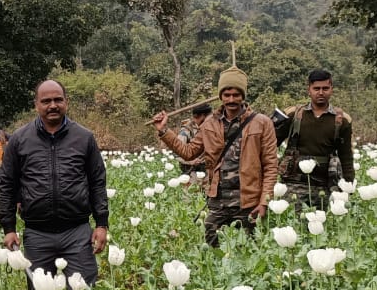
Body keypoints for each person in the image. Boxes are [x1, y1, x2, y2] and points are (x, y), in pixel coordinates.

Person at [0, 80, 109, 290]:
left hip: (77, 231)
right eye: (46, 101)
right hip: (37, 234)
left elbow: (97, 181)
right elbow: (7, 185)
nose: (53, 105)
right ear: (36, 105)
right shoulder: (20, 140)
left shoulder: (83, 137)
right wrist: (8, 227)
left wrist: (102, 223)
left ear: (66, 102)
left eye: (58, 99)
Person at [152, 65, 278, 246]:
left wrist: (264, 202)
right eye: (227, 95)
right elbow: (188, 153)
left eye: (236, 94)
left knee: (249, 252)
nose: (231, 99)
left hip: (248, 200)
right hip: (218, 199)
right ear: (221, 96)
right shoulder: (209, 124)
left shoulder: (262, 123)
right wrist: (164, 130)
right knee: (211, 246)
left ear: (243, 95)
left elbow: (270, 165)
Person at [275, 70, 355, 210]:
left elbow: (346, 156)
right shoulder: (293, 114)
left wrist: (348, 187)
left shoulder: (342, 120)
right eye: (316, 88)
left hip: (325, 184)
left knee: (320, 228)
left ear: (331, 90)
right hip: (293, 184)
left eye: (325, 88)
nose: (321, 92)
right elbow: (270, 144)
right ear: (309, 90)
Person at [176, 103, 212, 176]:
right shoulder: (186, 131)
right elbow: (177, 152)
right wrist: (191, 161)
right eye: (209, 117)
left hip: (206, 169)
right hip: (190, 171)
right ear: (202, 116)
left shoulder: (209, 128)